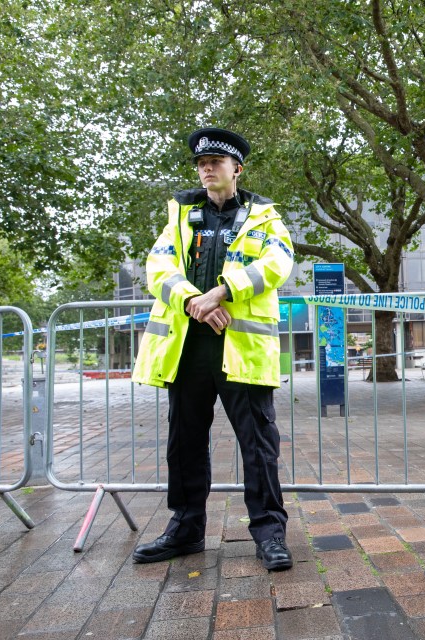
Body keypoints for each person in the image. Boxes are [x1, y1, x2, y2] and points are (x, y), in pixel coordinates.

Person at [131, 127, 295, 571]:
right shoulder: (181, 215)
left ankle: (269, 535)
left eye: (216, 163)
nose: (206, 169)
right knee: (183, 443)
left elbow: (278, 263)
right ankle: (185, 530)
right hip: (187, 348)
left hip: (241, 347)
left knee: (259, 445)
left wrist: (222, 292)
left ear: (236, 169)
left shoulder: (265, 217)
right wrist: (192, 302)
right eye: (201, 164)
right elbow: (158, 266)